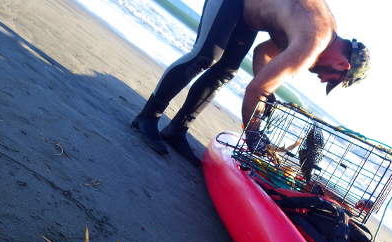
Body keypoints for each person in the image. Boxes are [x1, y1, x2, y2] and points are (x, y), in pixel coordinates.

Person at [131, 0, 371, 166]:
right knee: (204, 56)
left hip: (248, 16)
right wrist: (253, 136)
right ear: (343, 66)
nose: (322, 80)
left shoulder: (321, 32)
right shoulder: (314, 41)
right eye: (332, 81)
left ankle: (176, 130)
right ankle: (148, 116)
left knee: (225, 71)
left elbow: (263, 53)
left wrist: (267, 92)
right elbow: (255, 89)